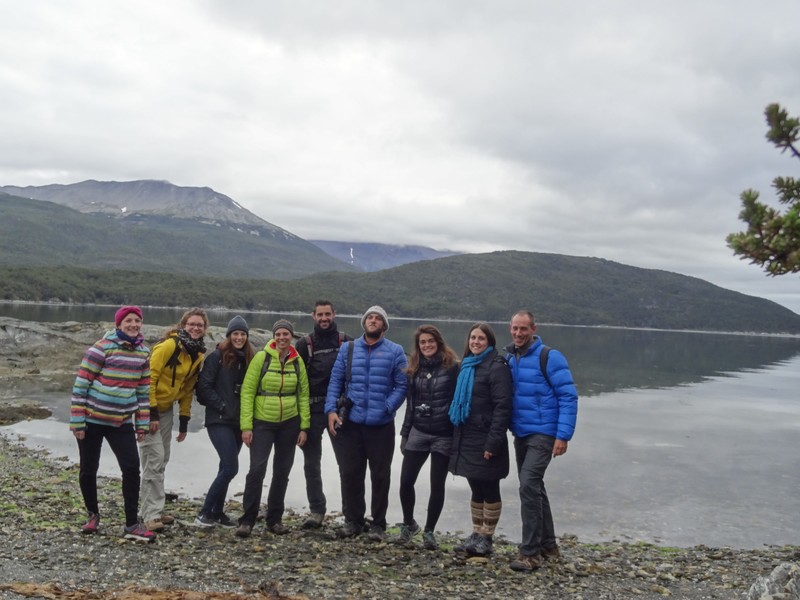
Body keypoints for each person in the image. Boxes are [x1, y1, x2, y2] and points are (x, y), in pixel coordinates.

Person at [70, 305, 156, 542]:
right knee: (89, 468)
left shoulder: (143, 353)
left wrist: (142, 424)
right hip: (91, 421)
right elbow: (81, 386)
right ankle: (92, 516)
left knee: (131, 469)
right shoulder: (101, 348)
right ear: (118, 324)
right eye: (128, 321)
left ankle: (131, 524)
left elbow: (143, 391)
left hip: (121, 422)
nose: (133, 325)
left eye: (137, 321)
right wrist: (77, 421)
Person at [325, 305, 408, 542]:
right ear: (364, 323)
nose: (373, 321)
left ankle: (378, 525)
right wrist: (331, 409)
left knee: (380, 475)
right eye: (369, 317)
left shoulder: (395, 351)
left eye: (378, 318)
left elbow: (402, 385)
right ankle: (353, 522)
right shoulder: (348, 349)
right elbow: (335, 381)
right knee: (351, 472)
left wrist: (387, 407)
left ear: (384, 325)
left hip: (381, 425)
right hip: (351, 423)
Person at [505, 310, 578, 572]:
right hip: (521, 433)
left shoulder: (550, 356)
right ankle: (548, 546)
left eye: (523, 329)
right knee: (535, 487)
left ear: (533, 329)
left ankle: (530, 553)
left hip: (544, 433)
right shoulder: (510, 357)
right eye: (514, 328)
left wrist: (563, 435)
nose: (518, 333)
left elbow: (568, 397)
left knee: (527, 486)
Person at [236, 319, 310, 538]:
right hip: (262, 422)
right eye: (278, 334)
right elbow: (248, 392)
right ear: (273, 336)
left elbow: (303, 395)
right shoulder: (261, 358)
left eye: (285, 334)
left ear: (291, 336)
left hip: (289, 422)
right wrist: (246, 426)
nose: (281, 338)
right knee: (257, 469)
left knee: (282, 471)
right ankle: (247, 520)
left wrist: (304, 426)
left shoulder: (298, 362)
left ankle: (274, 519)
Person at [140, 307, 207, 532]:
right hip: (148, 408)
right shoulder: (169, 346)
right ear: (183, 325)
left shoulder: (197, 355)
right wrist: (150, 413)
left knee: (162, 458)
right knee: (154, 459)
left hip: (167, 409)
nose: (196, 328)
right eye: (192, 324)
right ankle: (150, 515)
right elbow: (149, 378)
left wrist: (185, 421)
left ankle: (151, 509)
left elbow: (187, 389)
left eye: (200, 325)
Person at [448, 322, 513, 557]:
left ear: (489, 342)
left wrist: (493, 443)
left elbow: (502, 407)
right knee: (475, 486)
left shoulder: (497, 366)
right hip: (467, 436)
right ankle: (476, 533)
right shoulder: (467, 365)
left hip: (486, 438)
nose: (475, 342)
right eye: (473, 338)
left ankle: (487, 537)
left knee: (490, 487)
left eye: (481, 339)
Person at [397, 325, 460, 550]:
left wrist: (457, 434)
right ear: (418, 346)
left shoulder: (453, 367)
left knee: (437, 485)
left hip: (443, 434)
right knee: (405, 481)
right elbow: (410, 405)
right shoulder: (414, 369)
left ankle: (430, 531)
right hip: (419, 431)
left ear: (438, 342)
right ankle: (408, 524)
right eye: (423, 342)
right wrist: (405, 434)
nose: (427, 345)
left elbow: (460, 400)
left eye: (430, 341)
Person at [294, 300, 352, 529]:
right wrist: (299, 419)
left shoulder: (347, 342)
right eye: (320, 314)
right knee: (311, 464)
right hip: (312, 410)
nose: (324, 318)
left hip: (340, 411)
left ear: (334, 314)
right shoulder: (304, 344)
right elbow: (295, 381)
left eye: (328, 314)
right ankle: (317, 510)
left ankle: (351, 513)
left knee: (346, 464)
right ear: (313, 316)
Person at [194, 315, 255, 528]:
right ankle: (203, 513)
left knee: (224, 466)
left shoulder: (249, 358)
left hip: (238, 423)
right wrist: (221, 406)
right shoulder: (217, 356)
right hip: (218, 420)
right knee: (230, 467)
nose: (239, 338)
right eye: (235, 334)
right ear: (229, 336)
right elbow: (203, 389)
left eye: (243, 334)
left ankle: (217, 512)